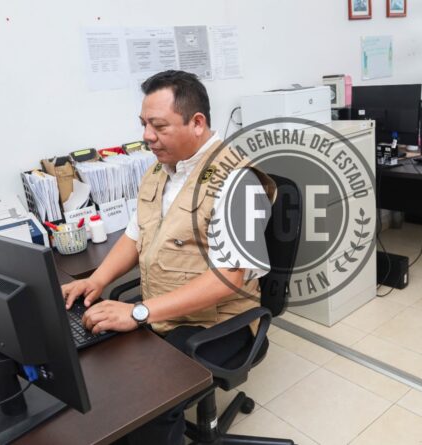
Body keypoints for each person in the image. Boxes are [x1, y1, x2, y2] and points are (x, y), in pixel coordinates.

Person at [61, 70, 275, 445]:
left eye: (158, 125)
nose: (146, 136)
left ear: (197, 123)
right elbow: (134, 236)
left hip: (220, 323)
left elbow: (229, 278)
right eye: (143, 124)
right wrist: (96, 280)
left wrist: (138, 311)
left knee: (145, 402)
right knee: (99, 368)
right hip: (166, 313)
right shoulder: (158, 172)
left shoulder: (236, 181)